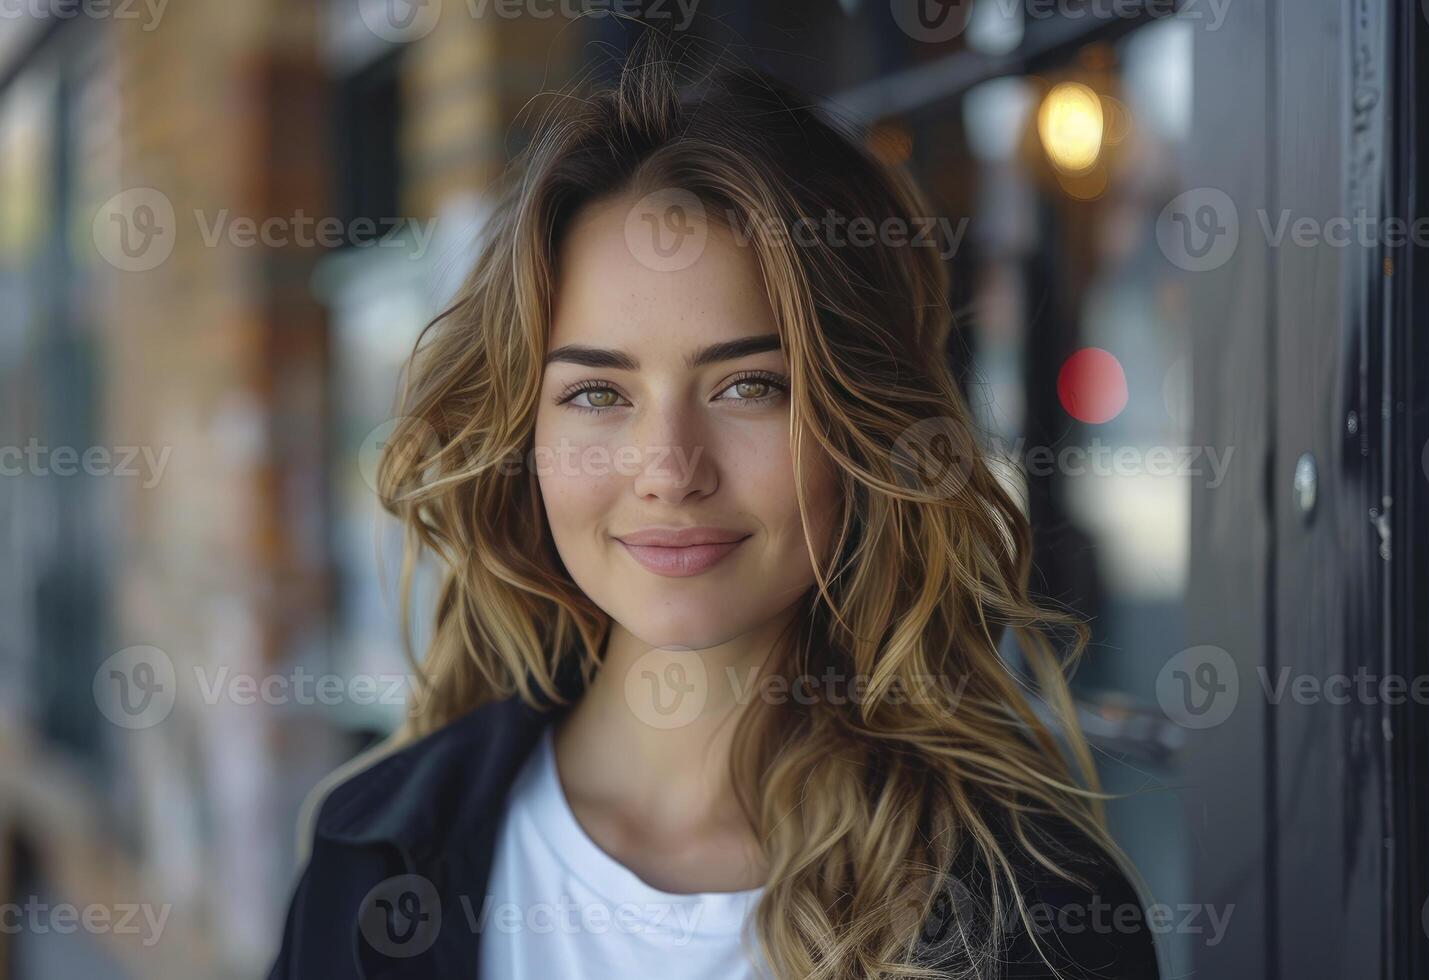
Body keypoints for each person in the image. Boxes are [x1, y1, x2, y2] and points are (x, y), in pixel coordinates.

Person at [268, 29, 1161, 980]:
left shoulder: (1033, 917)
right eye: (596, 394)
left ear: (860, 426)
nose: (670, 470)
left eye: (749, 387)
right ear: (523, 443)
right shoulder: (372, 853)